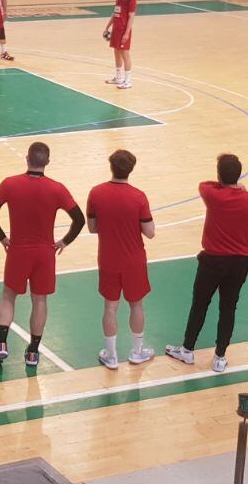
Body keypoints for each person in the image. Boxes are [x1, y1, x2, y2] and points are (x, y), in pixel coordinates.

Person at [0, 141, 84, 368]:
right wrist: (64, 241)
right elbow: (79, 220)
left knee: (8, 295)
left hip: (18, 250)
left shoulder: (10, 184)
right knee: (40, 300)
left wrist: (2, 238)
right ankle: (32, 352)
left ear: (27, 159)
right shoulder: (57, 188)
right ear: (47, 162)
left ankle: (2, 344)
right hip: (45, 254)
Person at [168, 154, 248, 374]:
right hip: (238, 264)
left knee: (200, 304)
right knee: (228, 309)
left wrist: (228, 184)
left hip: (212, 262)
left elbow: (204, 184)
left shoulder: (212, 194)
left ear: (219, 175)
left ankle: (187, 349)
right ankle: (220, 357)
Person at [88, 149, 156, 369]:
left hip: (108, 259)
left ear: (111, 166)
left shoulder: (96, 193)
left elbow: (92, 227)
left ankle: (111, 355)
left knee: (110, 307)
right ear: (131, 169)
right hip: (134, 260)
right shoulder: (139, 196)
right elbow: (150, 232)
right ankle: (137, 352)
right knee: (137, 305)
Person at [103, 0, 137, 90]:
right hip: (115, 30)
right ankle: (118, 78)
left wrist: (126, 33)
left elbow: (131, 17)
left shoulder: (131, 0)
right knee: (116, 53)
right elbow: (115, 13)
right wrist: (107, 27)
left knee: (125, 54)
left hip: (123, 30)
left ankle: (128, 81)